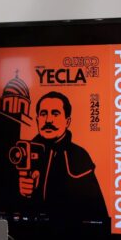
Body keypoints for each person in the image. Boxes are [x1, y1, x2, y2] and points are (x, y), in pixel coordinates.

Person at [18, 91, 109, 223]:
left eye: (55, 113)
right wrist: (21, 192)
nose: (48, 120)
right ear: (37, 119)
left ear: (67, 121)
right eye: (43, 114)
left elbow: (97, 213)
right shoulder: (21, 153)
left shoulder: (79, 155)